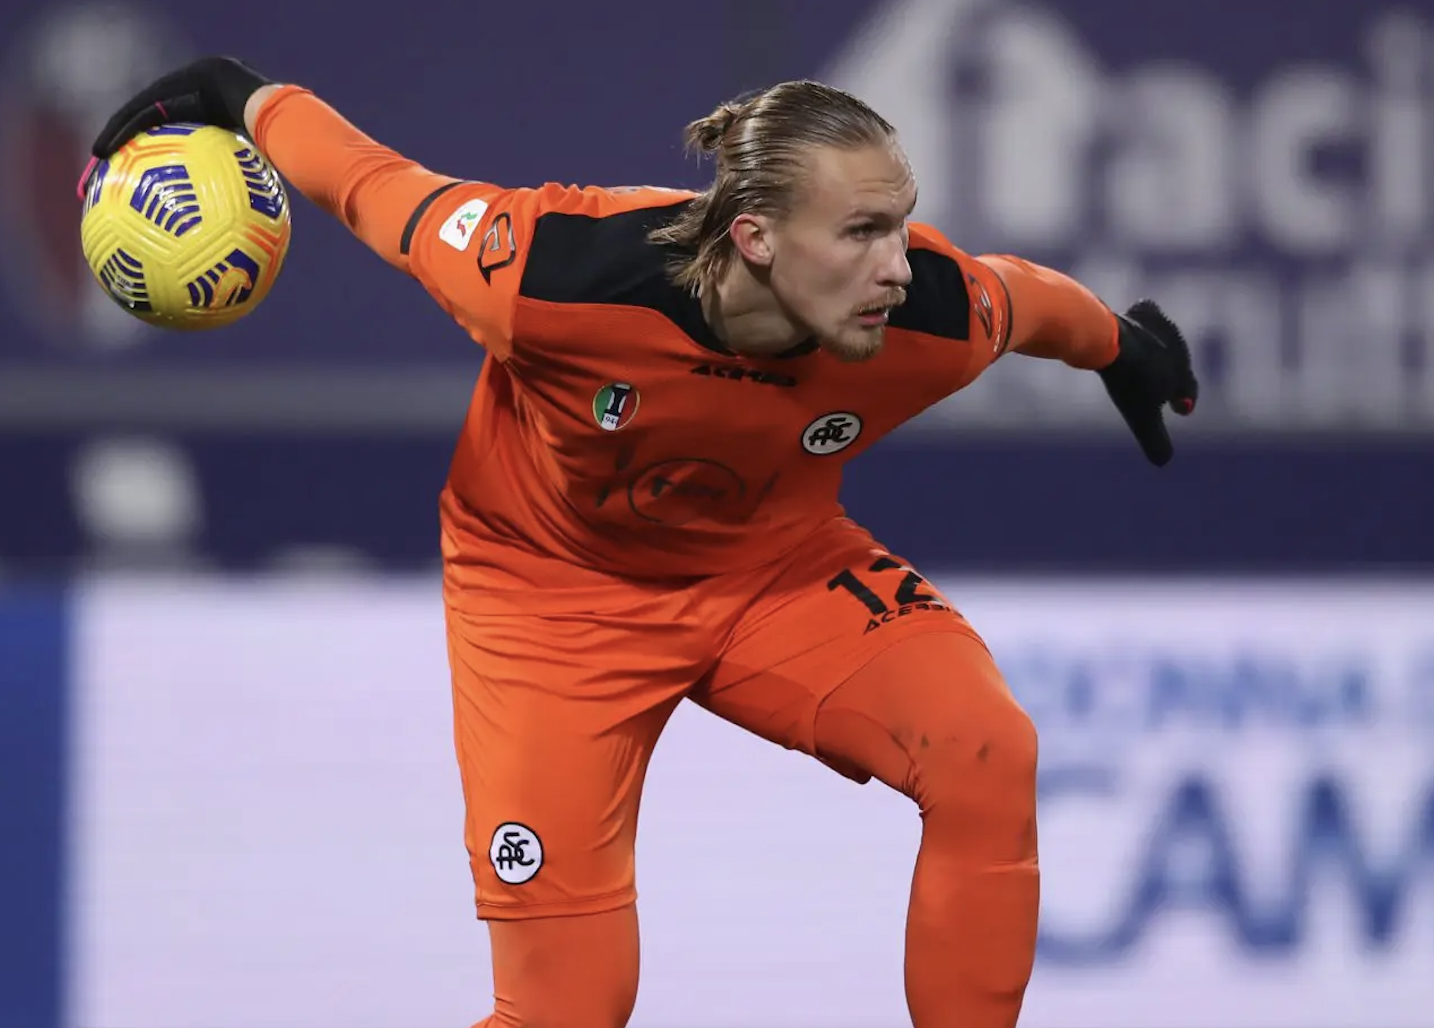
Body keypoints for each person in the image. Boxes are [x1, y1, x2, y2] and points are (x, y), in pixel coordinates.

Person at [86, 57, 1198, 1028]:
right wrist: (242, 94)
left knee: (985, 749)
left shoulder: (927, 317)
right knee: (567, 1009)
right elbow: (374, 186)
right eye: (862, 232)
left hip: (774, 571)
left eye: (901, 224)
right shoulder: (547, 273)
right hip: (548, 600)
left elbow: (1026, 301)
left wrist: (1122, 348)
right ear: (755, 237)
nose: (898, 263)